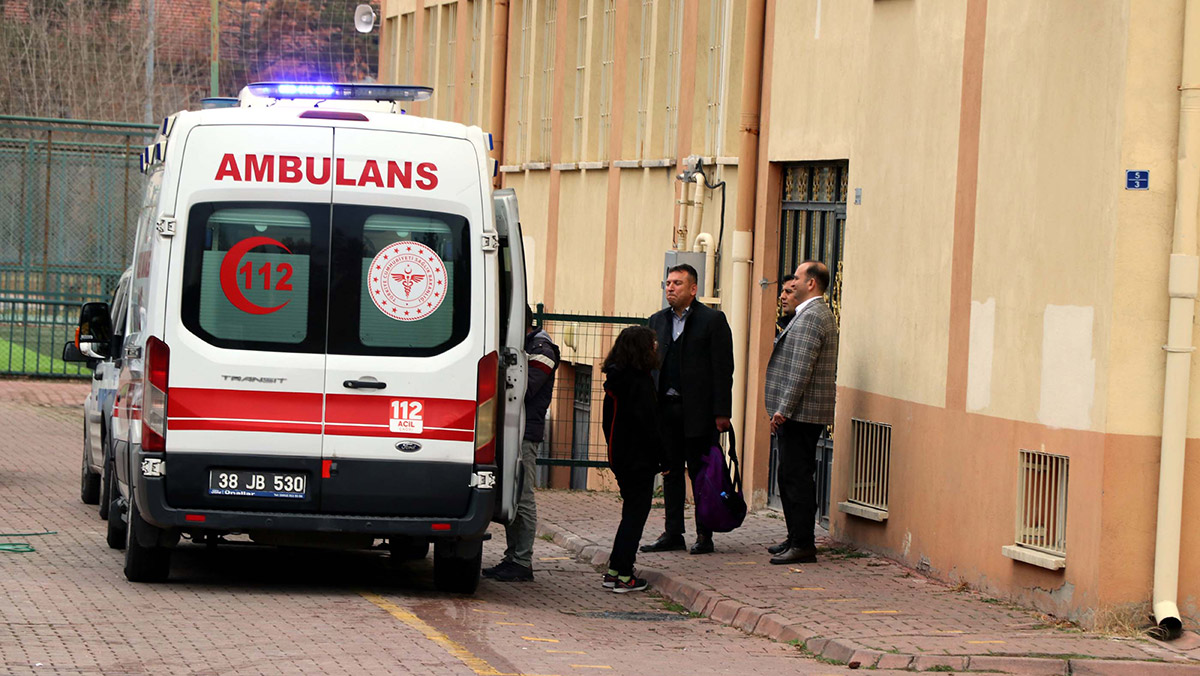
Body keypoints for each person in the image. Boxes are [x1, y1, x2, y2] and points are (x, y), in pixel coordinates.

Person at [641, 264, 734, 555]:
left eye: (677, 283)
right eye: (667, 283)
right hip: (664, 410)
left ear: (693, 289)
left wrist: (722, 412)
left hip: (698, 412)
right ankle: (673, 532)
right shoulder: (656, 321)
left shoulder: (712, 321)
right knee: (669, 472)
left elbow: (723, 369)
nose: (670, 288)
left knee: (701, 473)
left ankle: (704, 534)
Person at [764, 261, 839, 565]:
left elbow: (800, 368)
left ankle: (803, 543)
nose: (791, 283)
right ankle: (794, 536)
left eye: (796, 277)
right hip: (800, 411)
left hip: (802, 412)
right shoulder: (807, 313)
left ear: (811, 284)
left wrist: (784, 409)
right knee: (789, 475)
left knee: (797, 478)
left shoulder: (813, 315)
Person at [483, 306, 560, 581]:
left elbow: (522, 389)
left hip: (526, 431)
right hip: (515, 430)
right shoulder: (528, 347)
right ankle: (513, 557)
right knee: (512, 494)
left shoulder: (542, 350)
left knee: (523, 496)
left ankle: (521, 560)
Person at [600, 326, 667, 593]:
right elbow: (650, 424)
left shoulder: (617, 379)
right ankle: (624, 575)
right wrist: (665, 458)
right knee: (635, 517)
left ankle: (615, 570)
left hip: (620, 455)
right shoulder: (638, 382)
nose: (655, 348)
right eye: (651, 344)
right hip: (638, 459)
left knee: (631, 513)